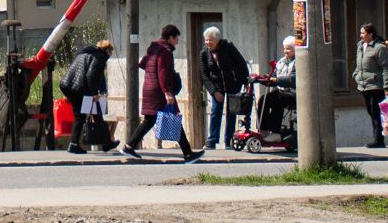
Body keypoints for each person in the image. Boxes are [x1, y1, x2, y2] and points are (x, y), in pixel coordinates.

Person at [121, 24, 199, 163]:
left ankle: (129, 146)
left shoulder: (153, 49)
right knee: (173, 117)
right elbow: (162, 73)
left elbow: (143, 64)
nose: (177, 41)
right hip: (159, 91)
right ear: (170, 37)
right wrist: (167, 92)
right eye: (176, 38)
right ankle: (188, 154)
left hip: (148, 88)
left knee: (149, 120)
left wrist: (152, 76)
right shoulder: (165, 51)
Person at [200, 26, 250, 153]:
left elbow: (241, 63)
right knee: (216, 111)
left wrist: (246, 81)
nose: (207, 43)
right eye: (206, 40)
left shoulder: (228, 47)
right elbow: (204, 75)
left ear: (217, 40)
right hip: (217, 85)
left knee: (231, 112)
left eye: (210, 40)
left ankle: (229, 140)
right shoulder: (204, 53)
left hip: (233, 82)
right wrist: (214, 91)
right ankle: (212, 140)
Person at [60, 37, 112, 153]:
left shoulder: (85, 53)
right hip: (79, 88)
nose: (110, 56)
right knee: (85, 115)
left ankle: (105, 143)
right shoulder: (100, 56)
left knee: (90, 113)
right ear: (107, 50)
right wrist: (94, 93)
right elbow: (91, 75)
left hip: (69, 86)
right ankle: (76, 145)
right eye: (110, 53)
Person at [353, 22, 388, 148]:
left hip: (376, 85)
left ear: (370, 34)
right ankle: (377, 138)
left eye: (363, 33)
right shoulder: (360, 46)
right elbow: (359, 64)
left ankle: (379, 140)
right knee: (371, 111)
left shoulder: (379, 48)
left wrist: (387, 87)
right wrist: (356, 75)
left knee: (375, 112)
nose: (361, 35)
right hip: (363, 85)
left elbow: (386, 68)